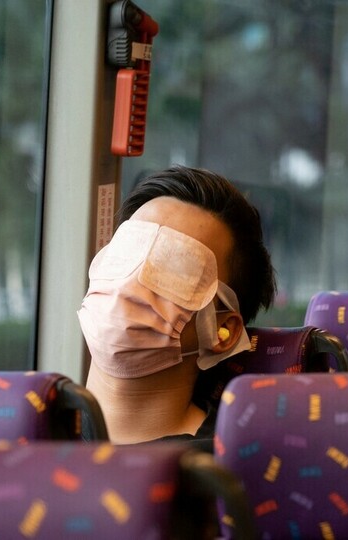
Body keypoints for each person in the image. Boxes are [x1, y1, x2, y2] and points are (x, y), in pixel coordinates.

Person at [77, 165, 276, 448]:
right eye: (126, 251)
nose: (130, 280)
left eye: (175, 265)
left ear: (222, 331)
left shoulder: (220, 476)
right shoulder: (17, 432)